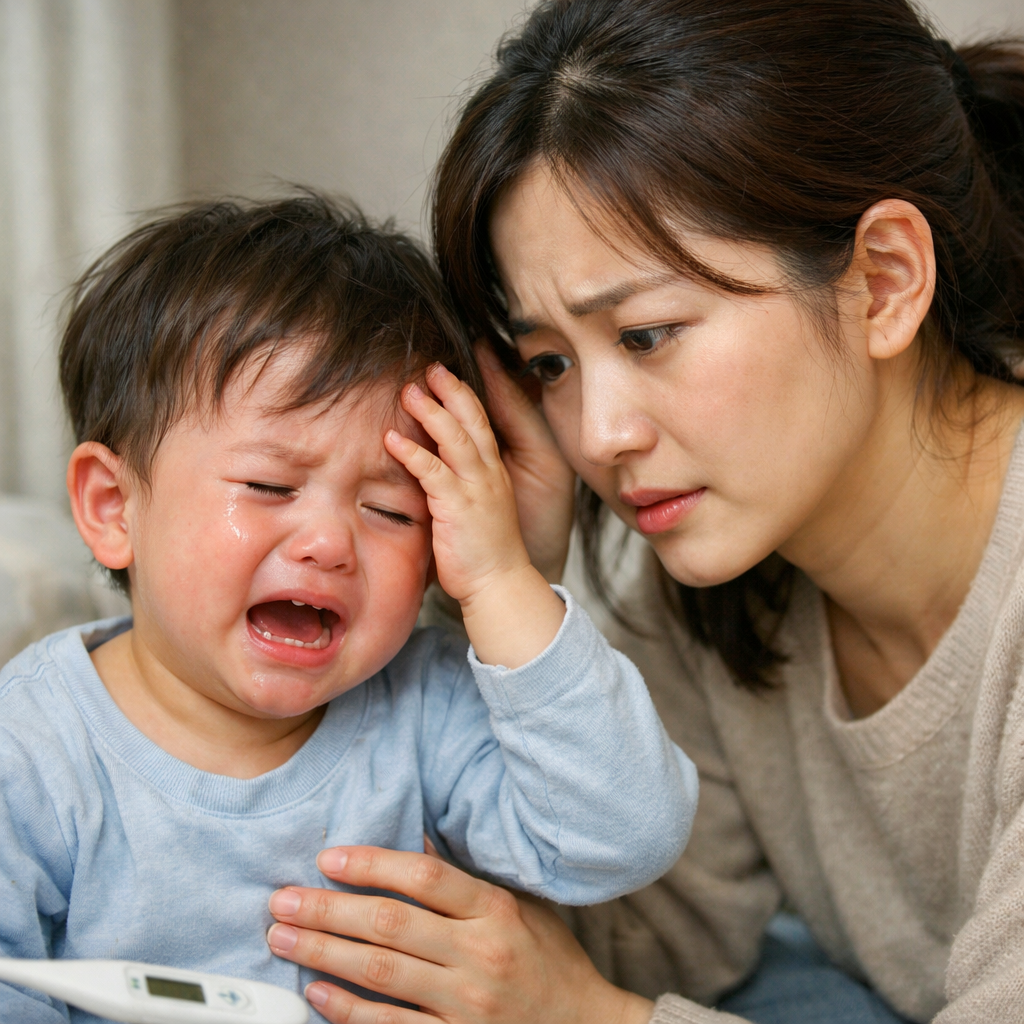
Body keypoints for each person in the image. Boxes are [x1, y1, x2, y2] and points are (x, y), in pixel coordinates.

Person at [257, 2, 1024, 1023]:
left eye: (650, 333)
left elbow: (581, 994)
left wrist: (583, 1017)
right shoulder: (699, 585)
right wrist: (505, 608)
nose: (597, 434)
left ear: (882, 281)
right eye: (549, 364)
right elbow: (619, 936)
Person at [0, 193, 699, 1023]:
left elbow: (620, 840)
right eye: (269, 486)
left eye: (392, 510)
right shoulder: (33, 749)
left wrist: (504, 581)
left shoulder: (426, 707)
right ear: (115, 508)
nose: (329, 543)